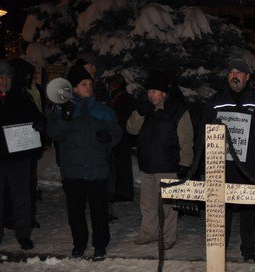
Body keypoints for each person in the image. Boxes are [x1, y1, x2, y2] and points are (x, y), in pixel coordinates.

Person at [202, 58, 255, 262]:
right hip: (222, 165)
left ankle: (248, 249)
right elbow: (205, 129)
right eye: (231, 73)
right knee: (221, 208)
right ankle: (220, 251)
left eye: (239, 73)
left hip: (250, 166)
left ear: (247, 77)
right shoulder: (217, 100)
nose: (234, 76)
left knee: (250, 209)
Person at [46, 63, 122, 260]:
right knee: (75, 212)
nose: (88, 86)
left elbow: (117, 132)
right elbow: (53, 133)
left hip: (97, 169)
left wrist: (110, 138)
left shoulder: (102, 110)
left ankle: (100, 245)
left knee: (99, 211)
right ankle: (79, 244)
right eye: (83, 83)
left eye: (89, 83)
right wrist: (65, 116)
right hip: (73, 171)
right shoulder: (62, 110)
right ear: (74, 88)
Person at [126, 70, 194, 250]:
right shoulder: (145, 109)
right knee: (147, 203)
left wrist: (185, 163)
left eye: (154, 91)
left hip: (168, 165)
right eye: (149, 91)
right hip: (148, 165)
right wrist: (140, 112)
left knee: (168, 206)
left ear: (164, 93)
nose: (150, 95)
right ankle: (149, 233)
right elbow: (131, 129)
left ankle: (167, 237)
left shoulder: (177, 110)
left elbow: (186, 140)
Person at [0, 59, 44, 251]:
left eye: (8, 78)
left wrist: (39, 124)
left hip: (19, 158)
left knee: (22, 197)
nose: (4, 81)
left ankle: (23, 234)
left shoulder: (21, 97)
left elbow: (38, 117)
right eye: (0, 77)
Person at [106, 74, 136, 214]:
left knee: (122, 163)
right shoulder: (119, 98)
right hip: (121, 134)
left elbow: (123, 117)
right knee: (120, 163)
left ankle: (123, 192)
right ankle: (122, 192)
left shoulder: (123, 99)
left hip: (123, 135)